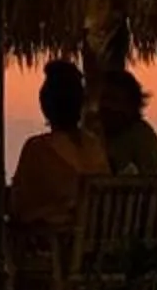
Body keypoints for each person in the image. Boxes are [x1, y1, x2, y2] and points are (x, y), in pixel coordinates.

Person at [7, 58, 108, 236]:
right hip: (98, 240)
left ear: (45, 105)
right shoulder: (94, 146)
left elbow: (19, 207)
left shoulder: (38, 148)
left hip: (60, 248)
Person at [94, 65, 157, 178]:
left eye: (113, 100)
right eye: (103, 99)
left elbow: (155, 181)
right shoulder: (93, 134)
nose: (106, 106)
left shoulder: (141, 136)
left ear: (131, 106)